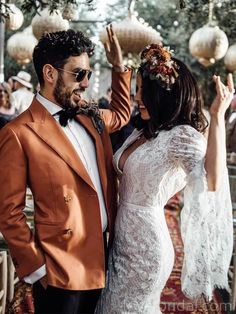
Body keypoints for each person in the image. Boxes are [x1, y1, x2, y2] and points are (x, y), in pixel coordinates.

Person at [0, 26, 132, 314]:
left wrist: (119, 67)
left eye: (87, 74)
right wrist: (37, 270)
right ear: (50, 73)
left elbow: (122, 115)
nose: (85, 83)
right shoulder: (18, 133)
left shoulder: (88, 115)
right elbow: (8, 212)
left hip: (104, 258)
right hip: (59, 271)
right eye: (78, 74)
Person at [95, 44, 234, 313]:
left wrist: (217, 117)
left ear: (164, 93)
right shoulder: (143, 131)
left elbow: (212, 181)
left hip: (147, 248)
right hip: (119, 241)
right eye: (137, 90)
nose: (138, 98)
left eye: (144, 91)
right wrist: (117, 67)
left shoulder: (181, 136)